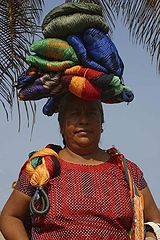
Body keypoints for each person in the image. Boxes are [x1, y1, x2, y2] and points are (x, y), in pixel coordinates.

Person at [0, 93, 160, 240]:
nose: (83, 120)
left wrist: (151, 237)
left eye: (91, 113)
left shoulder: (127, 170)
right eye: (75, 114)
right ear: (61, 125)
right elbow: (10, 216)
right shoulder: (42, 168)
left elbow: (155, 219)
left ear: (101, 123)